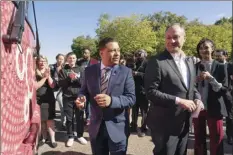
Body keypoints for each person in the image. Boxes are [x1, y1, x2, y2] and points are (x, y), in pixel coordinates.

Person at [144, 23, 202, 155]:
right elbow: (151, 92)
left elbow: (191, 87)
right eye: (168, 37)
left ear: (184, 38)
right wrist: (179, 101)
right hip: (164, 125)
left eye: (175, 37)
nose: (171, 41)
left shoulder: (189, 62)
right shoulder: (156, 62)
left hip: (184, 122)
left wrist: (197, 98)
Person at [75, 37, 136, 155]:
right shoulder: (89, 71)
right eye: (112, 50)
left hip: (118, 128)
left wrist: (112, 101)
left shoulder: (126, 72)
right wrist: (81, 98)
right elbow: (84, 91)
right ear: (101, 53)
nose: (117, 53)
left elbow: (131, 98)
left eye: (118, 50)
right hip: (96, 128)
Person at [194, 39, 228, 155]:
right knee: (198, 137)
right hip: (198, 107)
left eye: (206, 47)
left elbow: (224, 89)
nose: (203, 50)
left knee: (216, 138)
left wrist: (211, 79)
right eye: (201, 48)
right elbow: (189, 86)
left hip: (215, 107)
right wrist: (195, 81)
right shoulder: (194, 66)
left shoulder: (220, 66)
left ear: (212, 48)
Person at [58, 52, 87, 147]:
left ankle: (79, 135)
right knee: (69, 119)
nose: (72, 60)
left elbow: (84, 83)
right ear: (67, 59)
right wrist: (69, 78)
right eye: (70, 58)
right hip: (67, 97)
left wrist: (77, 78)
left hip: (79, 97)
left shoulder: (81, 69)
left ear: (76, 59)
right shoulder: (63, 70)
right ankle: (70, 136)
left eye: (74, 58)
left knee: (79, 117)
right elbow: (61, 84)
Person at [36, 55, 57, 148]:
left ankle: (52, 139)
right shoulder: (33, 72)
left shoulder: (51, 71)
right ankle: (44, 138)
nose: (42, 62)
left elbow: (52, 86)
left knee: (50, 120)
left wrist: (48, 76)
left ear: (46, 62)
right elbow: (36, 86)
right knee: (42, 121)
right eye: (40, 61)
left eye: (44, 61)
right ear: (37, 62)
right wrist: (44, 77)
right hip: (38, 99)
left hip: (49, 99)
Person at [77, 47, 99, 125]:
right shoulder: (79, 62)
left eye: (86, 52)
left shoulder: (95, 62)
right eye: (83, 52)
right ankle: (84, 119)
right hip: (81, 85)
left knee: (90, 103)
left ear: (90, 53)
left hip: (91, 85)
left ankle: (89, 119)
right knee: (83, 102)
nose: (84, 54)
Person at [130, 49, 149, 137]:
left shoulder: (148, 63)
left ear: (144, 54)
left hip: (143, 91)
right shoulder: (135, 63)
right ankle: (133, 125)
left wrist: (138, 73)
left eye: (139, 54)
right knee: (134, 109)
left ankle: (143, 127)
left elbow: (149, 76)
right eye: (137, 54)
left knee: (144, 110)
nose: (138, 55)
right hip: (134, 90)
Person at [49, 54, 66, 127]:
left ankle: (63, 123)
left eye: (62, 59)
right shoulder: (51, 67)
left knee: (62, 107)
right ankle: (50, 123)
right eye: (59, 59)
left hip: (61, 89)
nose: (60, 60)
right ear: (56, 59)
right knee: (51, 106)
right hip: (53, 89)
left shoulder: (65, 68)